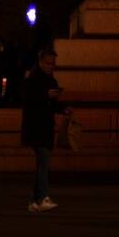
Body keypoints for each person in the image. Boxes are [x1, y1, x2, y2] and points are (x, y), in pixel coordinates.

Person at [21, 49, 72, 212]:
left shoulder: (50, 80)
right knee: (43, 162)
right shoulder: (32, 79)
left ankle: (34, 200)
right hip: (36, 127)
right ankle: (42, 197)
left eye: (53, 63)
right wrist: (46, 95)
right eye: (48, 63)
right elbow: (28, 100)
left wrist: (63, 108)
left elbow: (52, 104)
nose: (51, 66)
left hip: (44, 126)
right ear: (40, 62)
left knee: (42, 164)